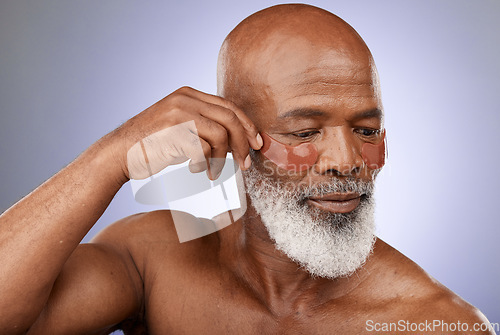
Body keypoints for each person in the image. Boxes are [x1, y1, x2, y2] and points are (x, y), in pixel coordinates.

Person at [0, 4, 494, 335]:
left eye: (367, 131)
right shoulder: (153, 258)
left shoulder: (435, 321)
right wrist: (113, 155)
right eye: (304, 133)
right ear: (236, 136)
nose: (347, 163)